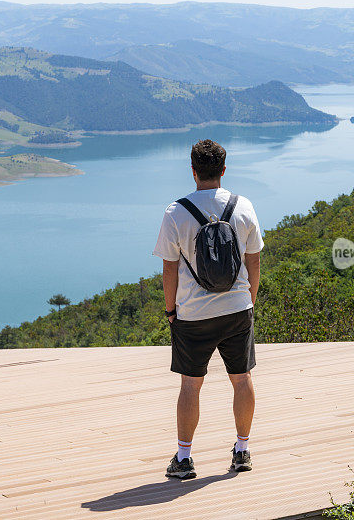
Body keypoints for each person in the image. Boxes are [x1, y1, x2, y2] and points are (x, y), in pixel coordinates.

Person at [153, 139, 264, 479]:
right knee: (242, 378)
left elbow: (169, 269)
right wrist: (249, 301)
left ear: (193, 171)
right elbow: (254, 261)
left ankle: (184, 459)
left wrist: (171, 311)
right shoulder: (243, 206)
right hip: (237, 309)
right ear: (224, 170)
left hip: (193, 314)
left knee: (190, 385)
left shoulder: (176, 213)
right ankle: (242, 450)